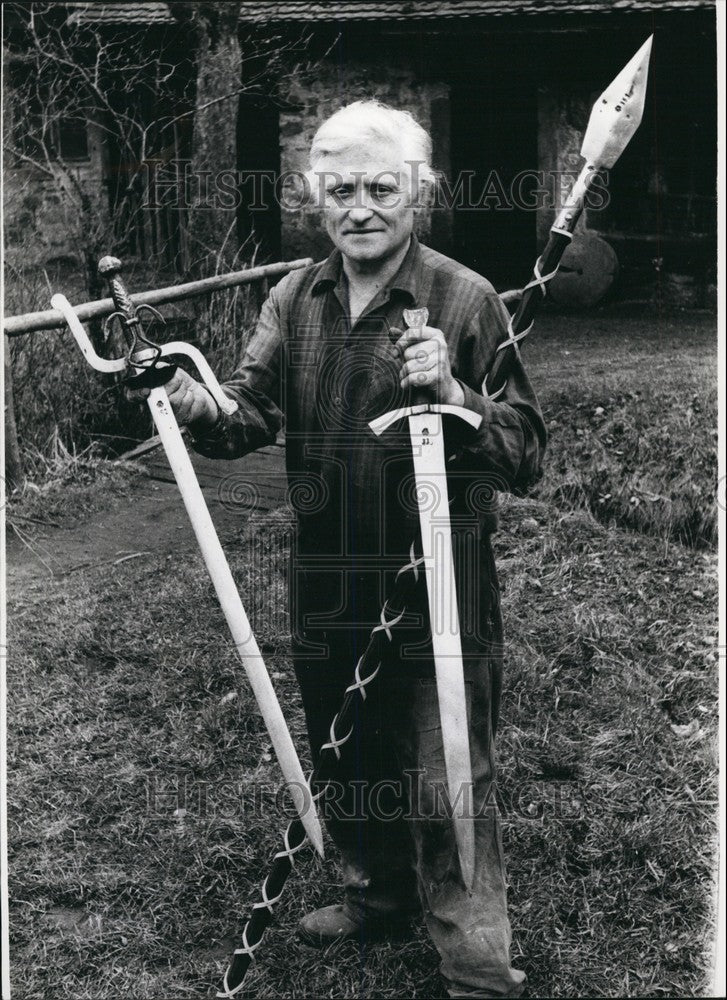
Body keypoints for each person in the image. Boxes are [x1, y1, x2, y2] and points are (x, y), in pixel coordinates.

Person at [132, 101, 545, 998]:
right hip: (326, 567)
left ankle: (472, 956)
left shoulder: (465, 299)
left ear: (420, 195)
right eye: (340, 189)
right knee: (344, 746)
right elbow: (247, 412)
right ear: (315, 199)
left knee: (445, 768)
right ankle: (372, 892)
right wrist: (198, 404)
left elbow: (526, 450)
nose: (360, 207)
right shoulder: (295, 297)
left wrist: (456, 391)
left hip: (439, 576)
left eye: (381, 188)